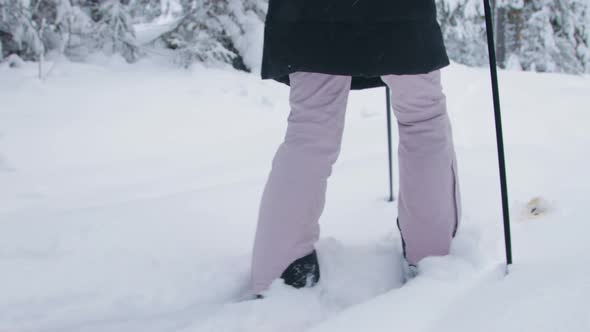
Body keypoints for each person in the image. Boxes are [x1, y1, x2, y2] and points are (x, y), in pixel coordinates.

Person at [251, 0, 461, 296]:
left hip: (308, 13)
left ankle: (278, 270)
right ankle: (430, 253)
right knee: (422, 118)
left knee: (310, 128)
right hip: (397, 13)